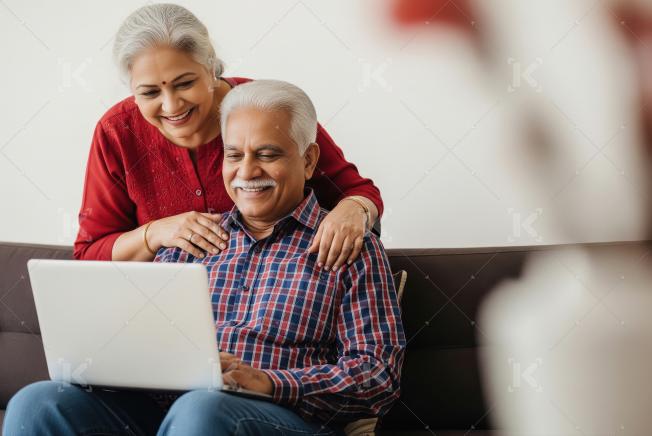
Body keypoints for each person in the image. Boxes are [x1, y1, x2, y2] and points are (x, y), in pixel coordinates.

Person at [3, 80, 404, 435]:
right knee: (38, 402)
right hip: (165, 412)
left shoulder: (349, 247)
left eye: (267, 154)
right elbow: (139, 349)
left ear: (309, 159)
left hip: (279, 417)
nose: (247, 171)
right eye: (234, 155)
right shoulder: (184, 243)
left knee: (202, 409)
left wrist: (269, 382)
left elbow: (376, 375)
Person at [74, 3, 382, 272]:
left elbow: (357, 192)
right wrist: (153, 234)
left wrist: (353, 210)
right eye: (150, 92)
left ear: (211, 68)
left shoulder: (263, 109)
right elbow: (89, 254)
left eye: (184, 83)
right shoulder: (117, 131)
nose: (171, 105)